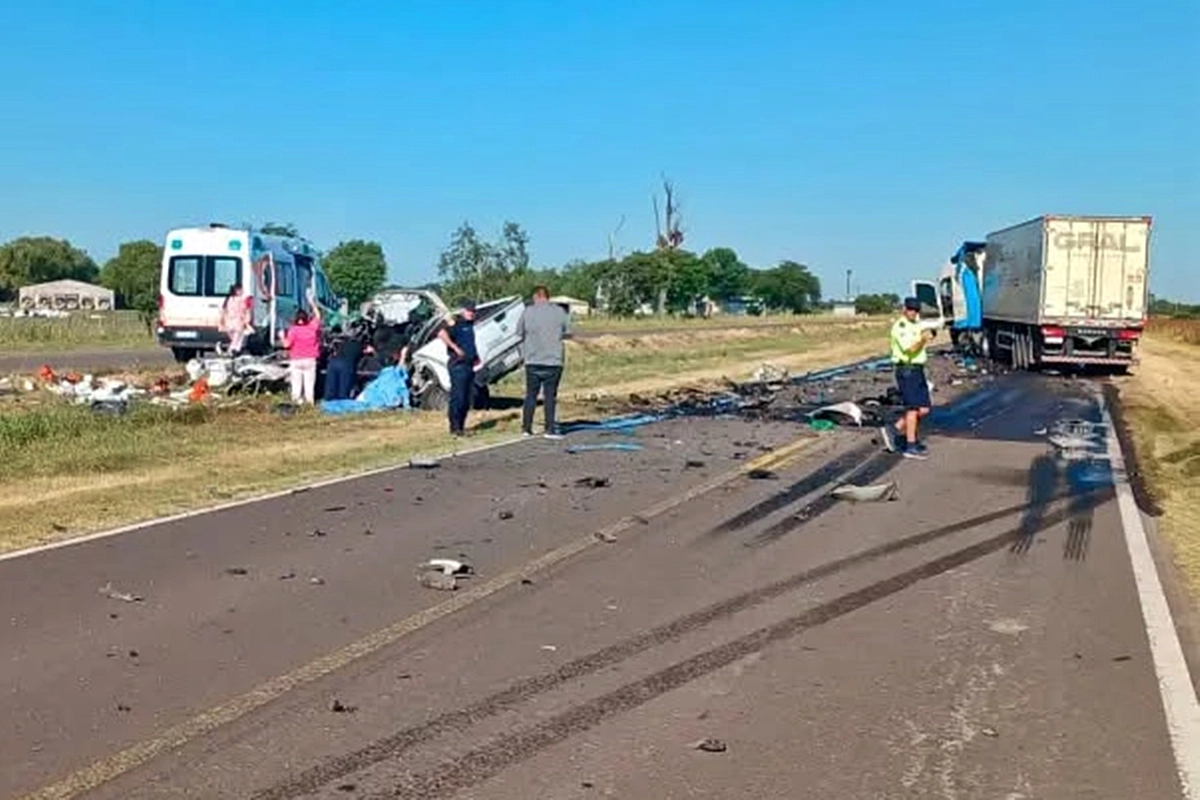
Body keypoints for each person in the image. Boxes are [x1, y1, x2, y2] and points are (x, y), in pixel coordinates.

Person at [879, 296, 935, 459]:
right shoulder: (900, 327)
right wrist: (923, 339)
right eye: (910, 309)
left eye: (916, 310)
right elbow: (909, 349)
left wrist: (930, 334)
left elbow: (926, 332)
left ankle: (896, 428)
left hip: (918, 369)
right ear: (905, 309)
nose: (913, 313)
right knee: (912, 408)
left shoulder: (916, 324)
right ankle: (910, 446)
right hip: (906, 369)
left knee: (923, 409)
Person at [517, 286, 571, 438]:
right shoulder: (560, 312)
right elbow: (568, 332)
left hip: (532, 359)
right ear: (548, 296)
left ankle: (526, 428)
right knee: (550, 396)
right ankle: (549, 429)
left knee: (531, 395)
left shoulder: (527, 311)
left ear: (536, 296)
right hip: (553, 360)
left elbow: (519, 333)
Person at [437, 300, 478, 436]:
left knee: (467, 398)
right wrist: (455, 348)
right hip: (458, 365)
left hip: (470, 365)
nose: (471, 313)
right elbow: (441, 334)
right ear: (462, 311)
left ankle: (461, 426)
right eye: (468, 311)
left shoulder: (471, 326)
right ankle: (454, 428)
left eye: (473, 311)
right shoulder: (457, 324)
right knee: (458, 397)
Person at [281, 296, 322, 405]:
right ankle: (309, 402)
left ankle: (296, 401)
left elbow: (286, 345)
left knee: (296, 383)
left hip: (296, 359)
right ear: (306, 319)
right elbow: (318, 316)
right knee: (309, 383)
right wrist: (312, 304)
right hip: (310, 359)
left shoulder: (293, 330)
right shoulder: (312, 328)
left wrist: (281, 336)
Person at [323, 324, 364, 402]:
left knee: (331, 386)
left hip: (333, 362)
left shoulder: (342, 343)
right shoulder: (358, 345)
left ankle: (329, 401)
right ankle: (342, 403)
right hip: (345, 364)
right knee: (343, 389)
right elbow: (359, 357)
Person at [219, 284, 254, 355]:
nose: (243, 291)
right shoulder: (240, 300)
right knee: (237, 341)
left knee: (235, 340)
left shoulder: (228, 299)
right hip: (238, 323)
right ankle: (230, 352)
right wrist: (247, 320)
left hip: (228, 323)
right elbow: (244, 310)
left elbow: (223, 311)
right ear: (237, 291)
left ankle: (230, 352)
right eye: (242, 290)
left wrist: (222, 322)